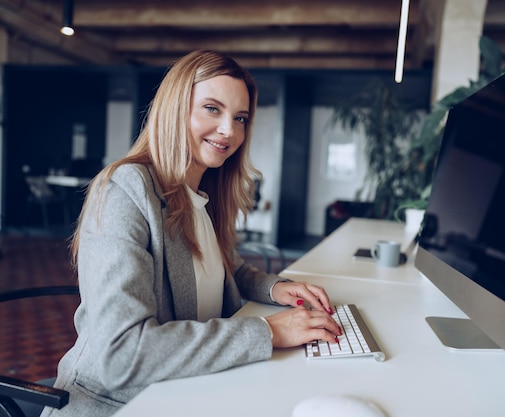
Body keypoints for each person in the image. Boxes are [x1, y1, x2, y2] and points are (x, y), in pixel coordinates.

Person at [41, 50, 341, 417]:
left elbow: (219, 267)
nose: (230, 130)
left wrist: (274, 288)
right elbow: (121, 355)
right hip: (117, 405)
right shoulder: (125, 189)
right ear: (175, 109)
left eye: (240, 117)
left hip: (188, 392)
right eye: (212, 109)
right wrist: (268, 332)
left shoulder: (202, 194)